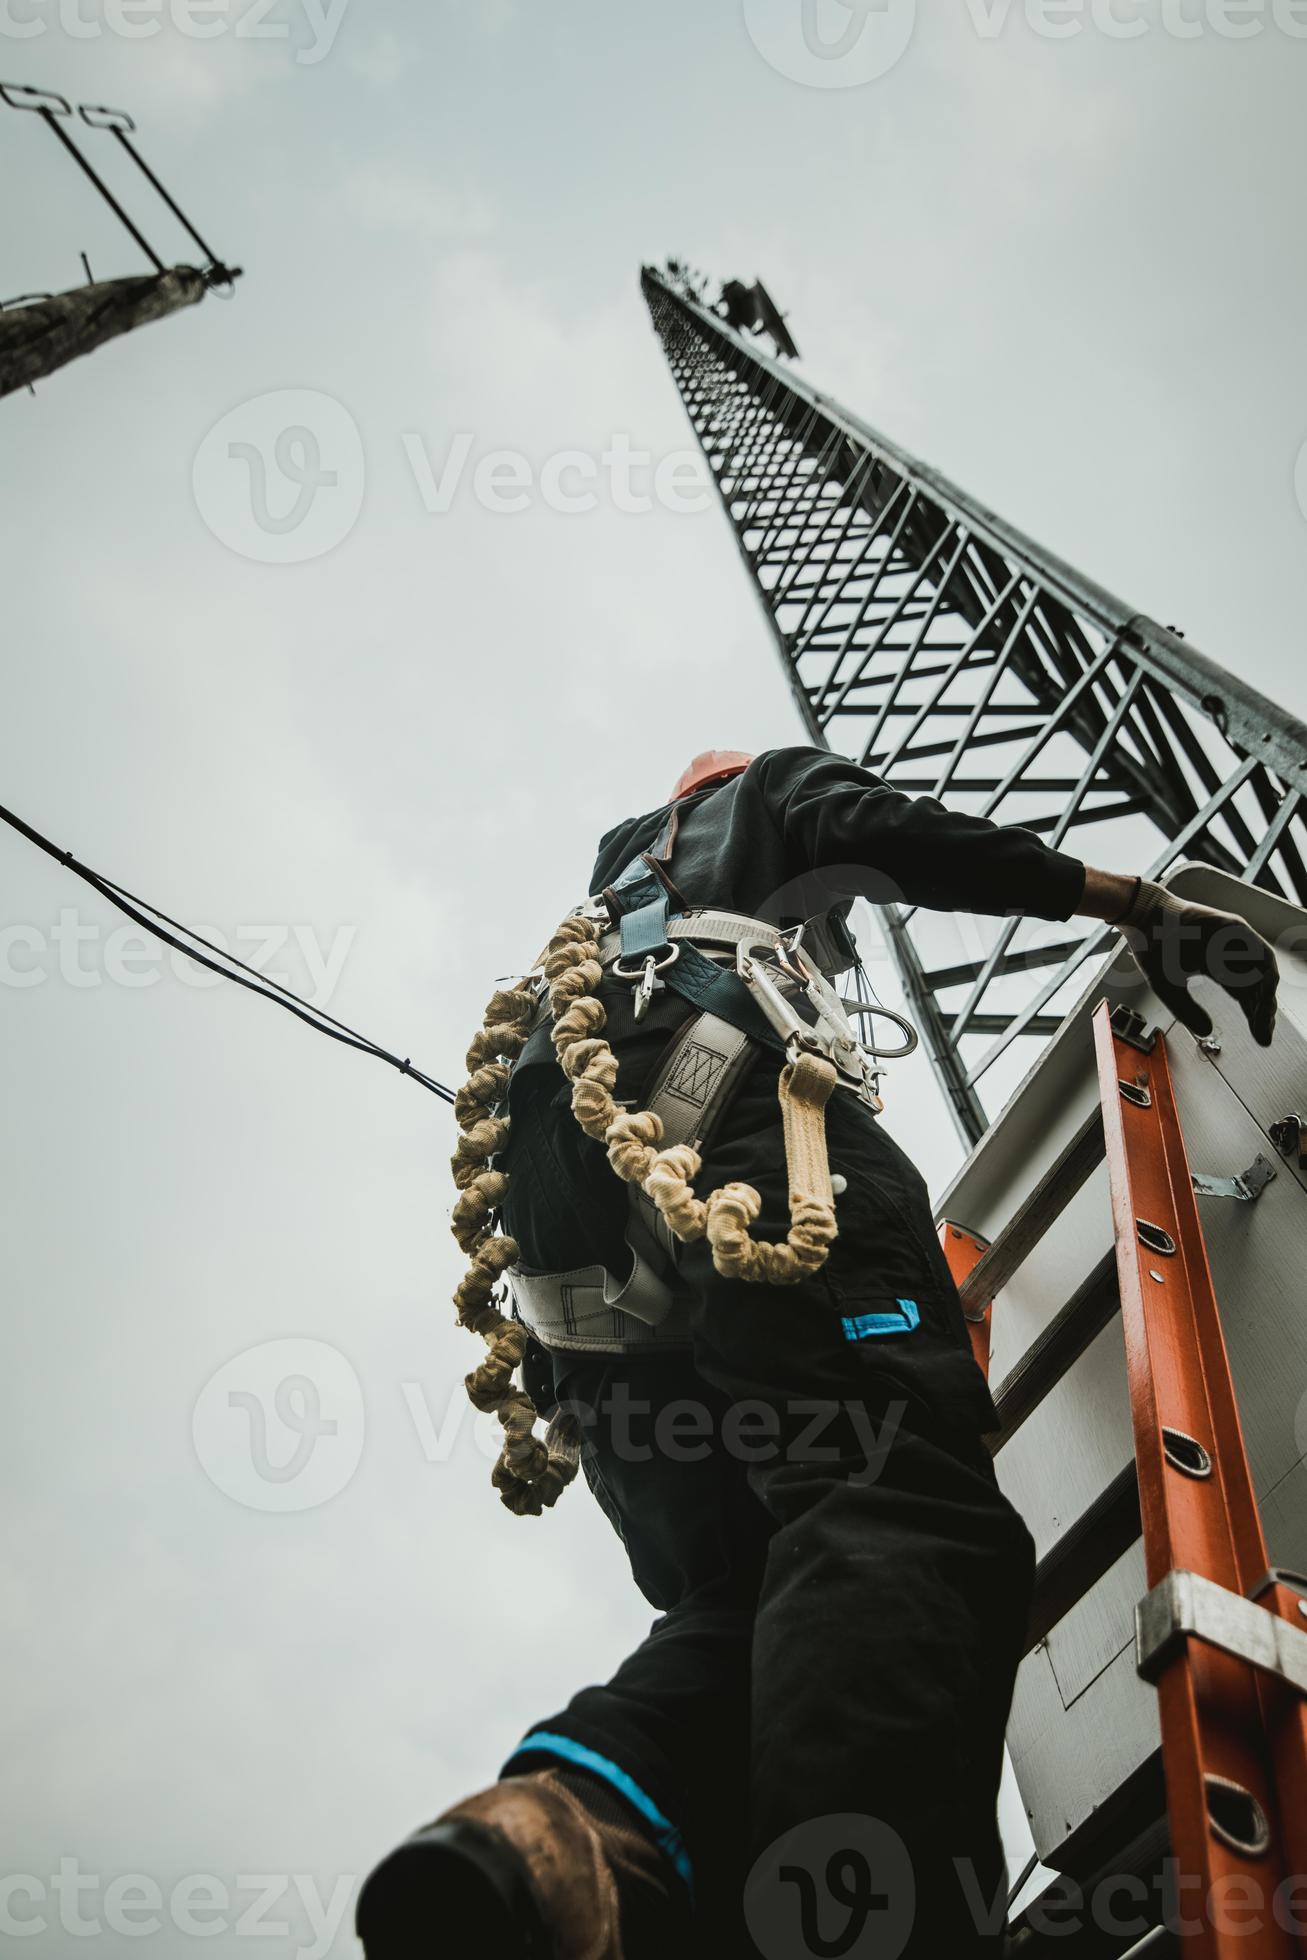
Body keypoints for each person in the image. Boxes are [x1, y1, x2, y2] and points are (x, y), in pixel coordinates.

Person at [357, 746, 1279, 1960]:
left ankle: (573, 1830)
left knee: (751, 1586)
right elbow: (883, 830)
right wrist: (1139, 906)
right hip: (732, 1116)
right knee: (897, 1501)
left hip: (577, 1256)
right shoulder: (750, 804)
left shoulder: (599, 920)